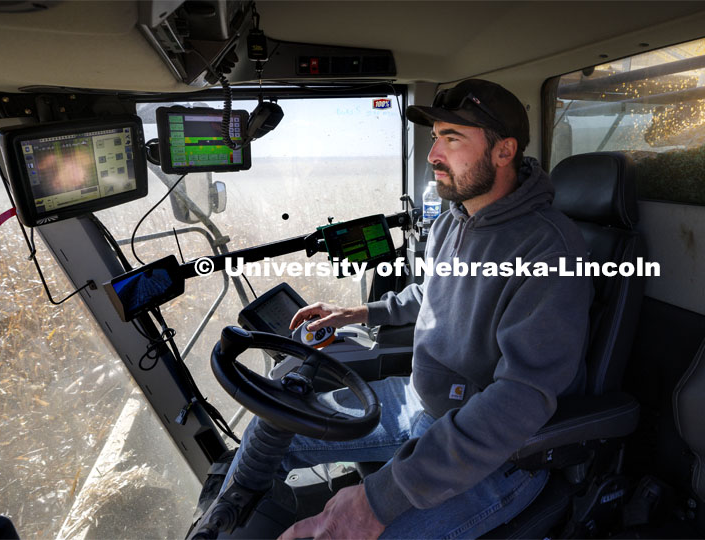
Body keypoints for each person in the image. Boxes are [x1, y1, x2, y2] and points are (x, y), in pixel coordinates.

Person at [234, 79, 593, 539]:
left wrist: (380, 498)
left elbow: (520, 397)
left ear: (504, 152)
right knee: (269, 433)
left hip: (503, 454)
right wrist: (358, 313)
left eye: (452, 139)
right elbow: (430, 293)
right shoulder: (453, 221)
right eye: (434, 137)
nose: (433, 155)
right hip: (418, 402)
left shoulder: (549, 247)